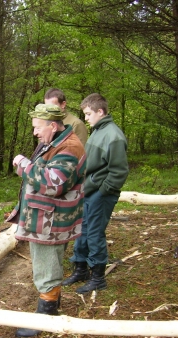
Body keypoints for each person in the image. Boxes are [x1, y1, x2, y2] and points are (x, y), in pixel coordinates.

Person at [6, 103, 86, 338]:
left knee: (46, 264)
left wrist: (23, 164)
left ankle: (47, 315)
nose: (35, 133)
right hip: (47, 216)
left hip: (50, 220)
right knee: (48, 263)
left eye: (37, 128)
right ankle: (51, 305)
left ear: (52, 125)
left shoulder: (69, 147)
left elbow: (54, 183)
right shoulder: (56, 141)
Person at [62, 93, 129, 293]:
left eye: (89, 113)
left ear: (101, 111)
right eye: (85, 114)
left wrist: (103, 190)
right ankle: (80, 268)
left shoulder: (113, 135)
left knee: (94, 233)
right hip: (89, 191)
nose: (86, 118)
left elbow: (119, 171)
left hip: (101, 193)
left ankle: (98, 276)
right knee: (81, 229)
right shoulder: (98, 130)